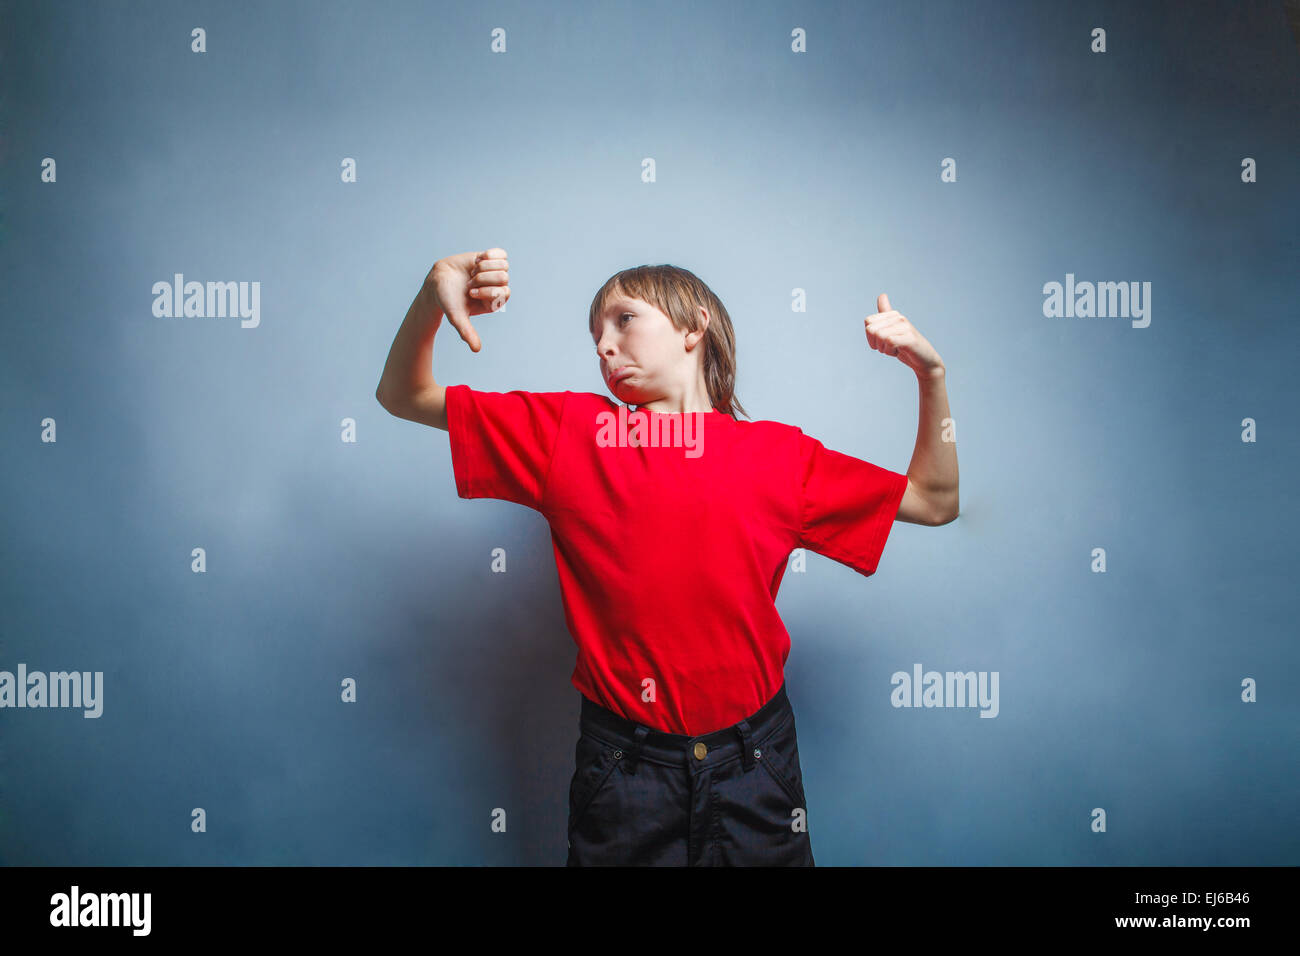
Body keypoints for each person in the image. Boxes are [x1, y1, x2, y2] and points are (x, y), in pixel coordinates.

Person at [376, 248, 959, 866]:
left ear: (693, 324)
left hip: (756, 762)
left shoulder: (779, 457)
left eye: (623, 320)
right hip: (625, 771)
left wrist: (931, 375)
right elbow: (403, 394)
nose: (604, 345)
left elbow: (934, 499)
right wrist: (429, 296)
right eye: (595, 334)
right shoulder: (568, 433)